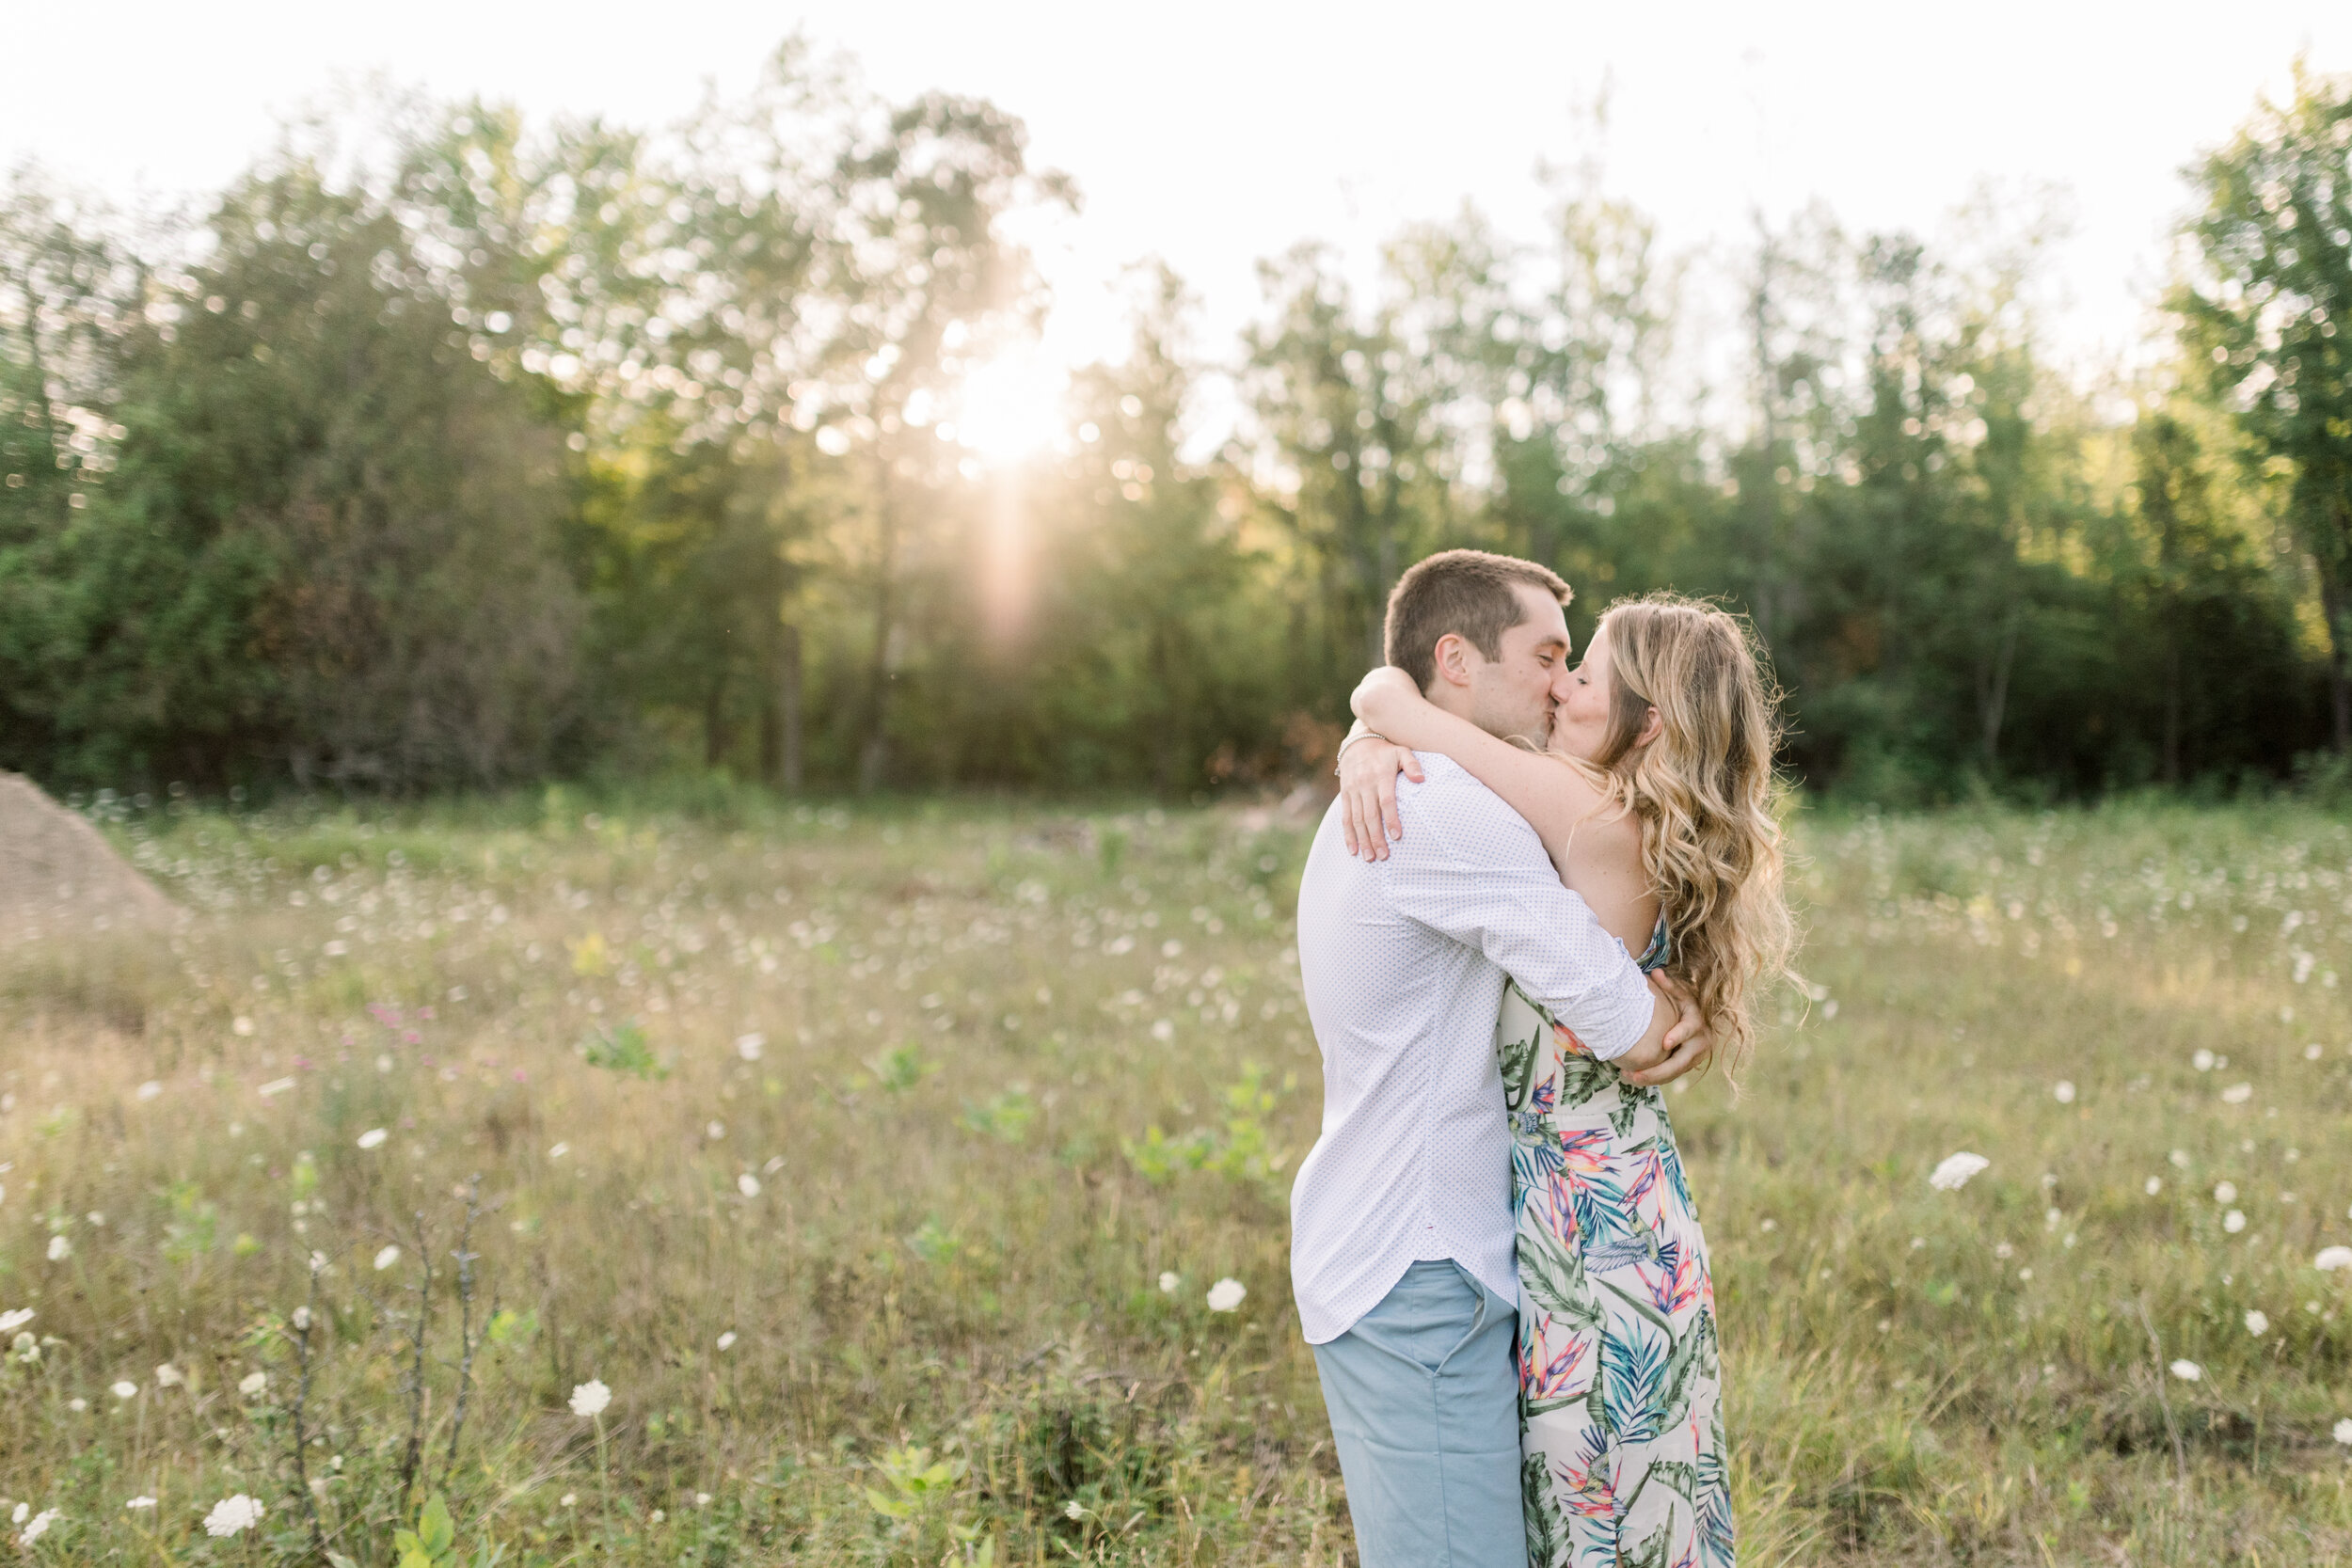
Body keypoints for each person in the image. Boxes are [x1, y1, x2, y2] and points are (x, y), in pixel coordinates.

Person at [1336, 589, 1792, 1568]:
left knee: (1602, 1518)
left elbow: (1407, 706)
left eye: (1584, 672)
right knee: (1607, 1513)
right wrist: (1364, 750)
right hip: (1605, 1209)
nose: (1563, 686)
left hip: (1594, 1239)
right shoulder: (1612, 817)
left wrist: (1379, 728)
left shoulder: (1588, 814)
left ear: (1651, 719)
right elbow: (1422, 736)